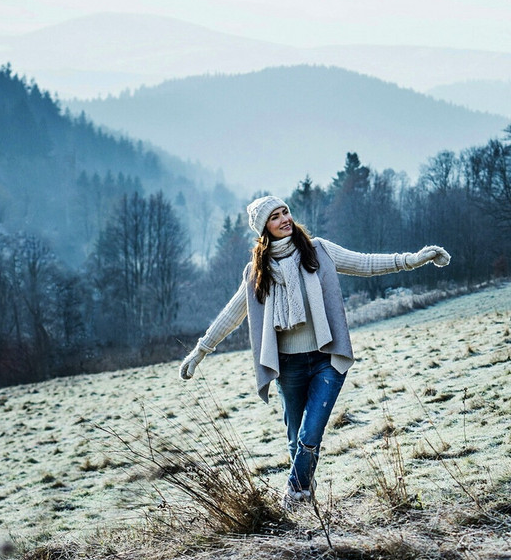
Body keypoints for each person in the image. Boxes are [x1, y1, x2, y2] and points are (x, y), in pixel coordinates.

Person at [179, 195, 450, 509]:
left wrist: (413, 259)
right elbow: (232, 314)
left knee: (310, 435)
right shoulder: (257, 272)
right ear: (264, 228)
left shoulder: (318, 250)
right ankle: (308, 503)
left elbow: (366, 264)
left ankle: (291, 497)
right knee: (296, 444)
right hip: (288, 368)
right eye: (275, 217)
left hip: (325, 360)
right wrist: (200, 352)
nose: (284, 219)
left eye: (286, 212)